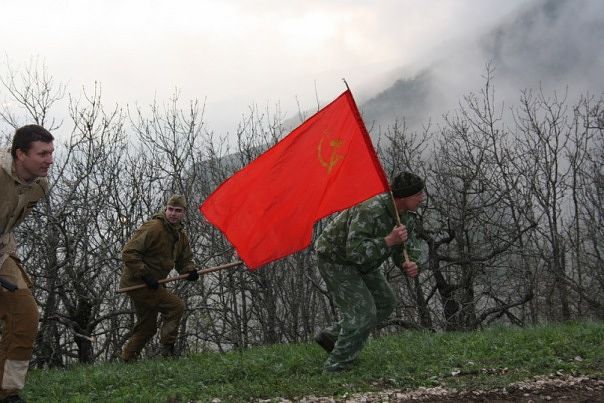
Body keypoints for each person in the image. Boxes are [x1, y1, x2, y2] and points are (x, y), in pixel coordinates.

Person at [314, 171, 425, 373]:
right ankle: (336, 368)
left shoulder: (406, 216)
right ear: (404, 197)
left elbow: (404, 249)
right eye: (418, 194)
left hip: (366, 262)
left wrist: (409, 263)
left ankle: (332, 336)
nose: (422, 198)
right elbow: (355, 252)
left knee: (385, 303)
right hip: (335, 259)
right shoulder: (370, 210)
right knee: (362, 313)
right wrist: (388, 241)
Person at [0, 125, 54, 402]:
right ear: (20, 154)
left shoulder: (40, 186)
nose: (50, 160)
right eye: (42, 154)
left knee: (26, 317)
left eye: (51, 152)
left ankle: (8, 392)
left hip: (2, 253)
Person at [120, 195, 199, 362]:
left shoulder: (180, 236)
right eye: (170, 209)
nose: (173, 214)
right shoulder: (153, 227)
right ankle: (167, 352)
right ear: (165, 209)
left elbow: (184, 260)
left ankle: (128, 359)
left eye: (178, 211)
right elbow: (128, 252)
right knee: (176, 306)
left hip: (154, 284)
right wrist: (145, 274)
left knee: (147, 327)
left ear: (184, 213)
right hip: (137, 283)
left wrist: (190, 271)